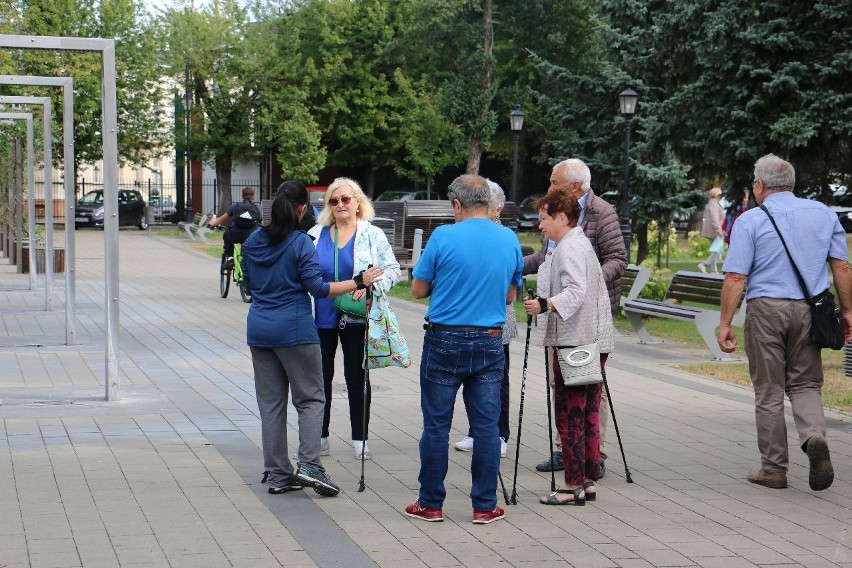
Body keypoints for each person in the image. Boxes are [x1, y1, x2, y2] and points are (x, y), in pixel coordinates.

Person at [717, 153, 852, 492]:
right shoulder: (823, 214)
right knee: (806, 384)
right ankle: (813, 436)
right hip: (810, 311)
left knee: (769, 390)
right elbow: (842, 268)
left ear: (760, 186)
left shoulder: (750, 220)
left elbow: (735, 276)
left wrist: (724, 323)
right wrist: (848, 312)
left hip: (766, 311)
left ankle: (774, 469)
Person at [241, 191, 384, 497]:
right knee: (310, 399)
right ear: (302, 209)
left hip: (259, 329)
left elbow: (250, 284)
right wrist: (360, 281)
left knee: (270, 403)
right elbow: (317, 289)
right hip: (294, 330)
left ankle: (279, 474)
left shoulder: (253, 241)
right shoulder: (301, 242)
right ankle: (309, 465)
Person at [404, 174, 523, 526]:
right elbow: (510, 296)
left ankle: (431, 503)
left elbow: (417, 290)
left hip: (444, 340)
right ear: (488, 202)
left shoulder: (443, 236)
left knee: (437, 426)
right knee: (486, 427)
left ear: (457, 204)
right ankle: (485, 505)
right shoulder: (508, 238)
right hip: (489, 340)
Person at [525, 159, 627, 475]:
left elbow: (617, 259)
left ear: (573, 187)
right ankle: (573, 455)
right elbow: (545, 258)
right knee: (570, 389)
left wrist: (591, 279)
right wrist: (510, 262)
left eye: (554, 182)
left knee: (584, 393)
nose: (549, 187)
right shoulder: (556, 217)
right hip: (566, 321)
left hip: (584, 322)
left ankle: (588, 462)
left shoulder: (601, 212)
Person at [307, 177, 401, 460]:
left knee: (356, 376)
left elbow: (393, 269)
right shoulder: (316, 233)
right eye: (333, 201)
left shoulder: (371, 235)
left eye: (345, 199)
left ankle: (360, 438)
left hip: (355, 315)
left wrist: (372, 286)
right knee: (320, 378)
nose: (340, 205)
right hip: (319, 315)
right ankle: (320, 437)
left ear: (358, 202)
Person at [453, 180, 518, 458]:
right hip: (470, 318)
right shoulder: (468, 232)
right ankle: (475, 431)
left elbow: (510, 286)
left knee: (497, 379)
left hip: (497, 318)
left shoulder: (503, 236)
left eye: (486, 204)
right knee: (472, 378)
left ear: (497, 208)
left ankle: (499, 433)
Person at [209, 186, 262, 268]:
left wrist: (212, 224)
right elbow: (260, 222)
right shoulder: (257, 208)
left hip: (236, 234)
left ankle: (230, 259)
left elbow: (221, 219)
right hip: (251, 236)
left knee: (226, 236)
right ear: (253, 196)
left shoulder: (236, 206)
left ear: (242, 196)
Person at [698, 187, 725, 274]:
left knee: (715, 250)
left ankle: (714, 270)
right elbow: (715, 219)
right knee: (717, 250)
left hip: (713, 231)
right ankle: (704, 264)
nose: (720, 196)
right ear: (716, 195)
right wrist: (719, 231)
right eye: (720, 194)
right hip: (714, 231)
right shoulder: (713, 204)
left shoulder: (713, 203)